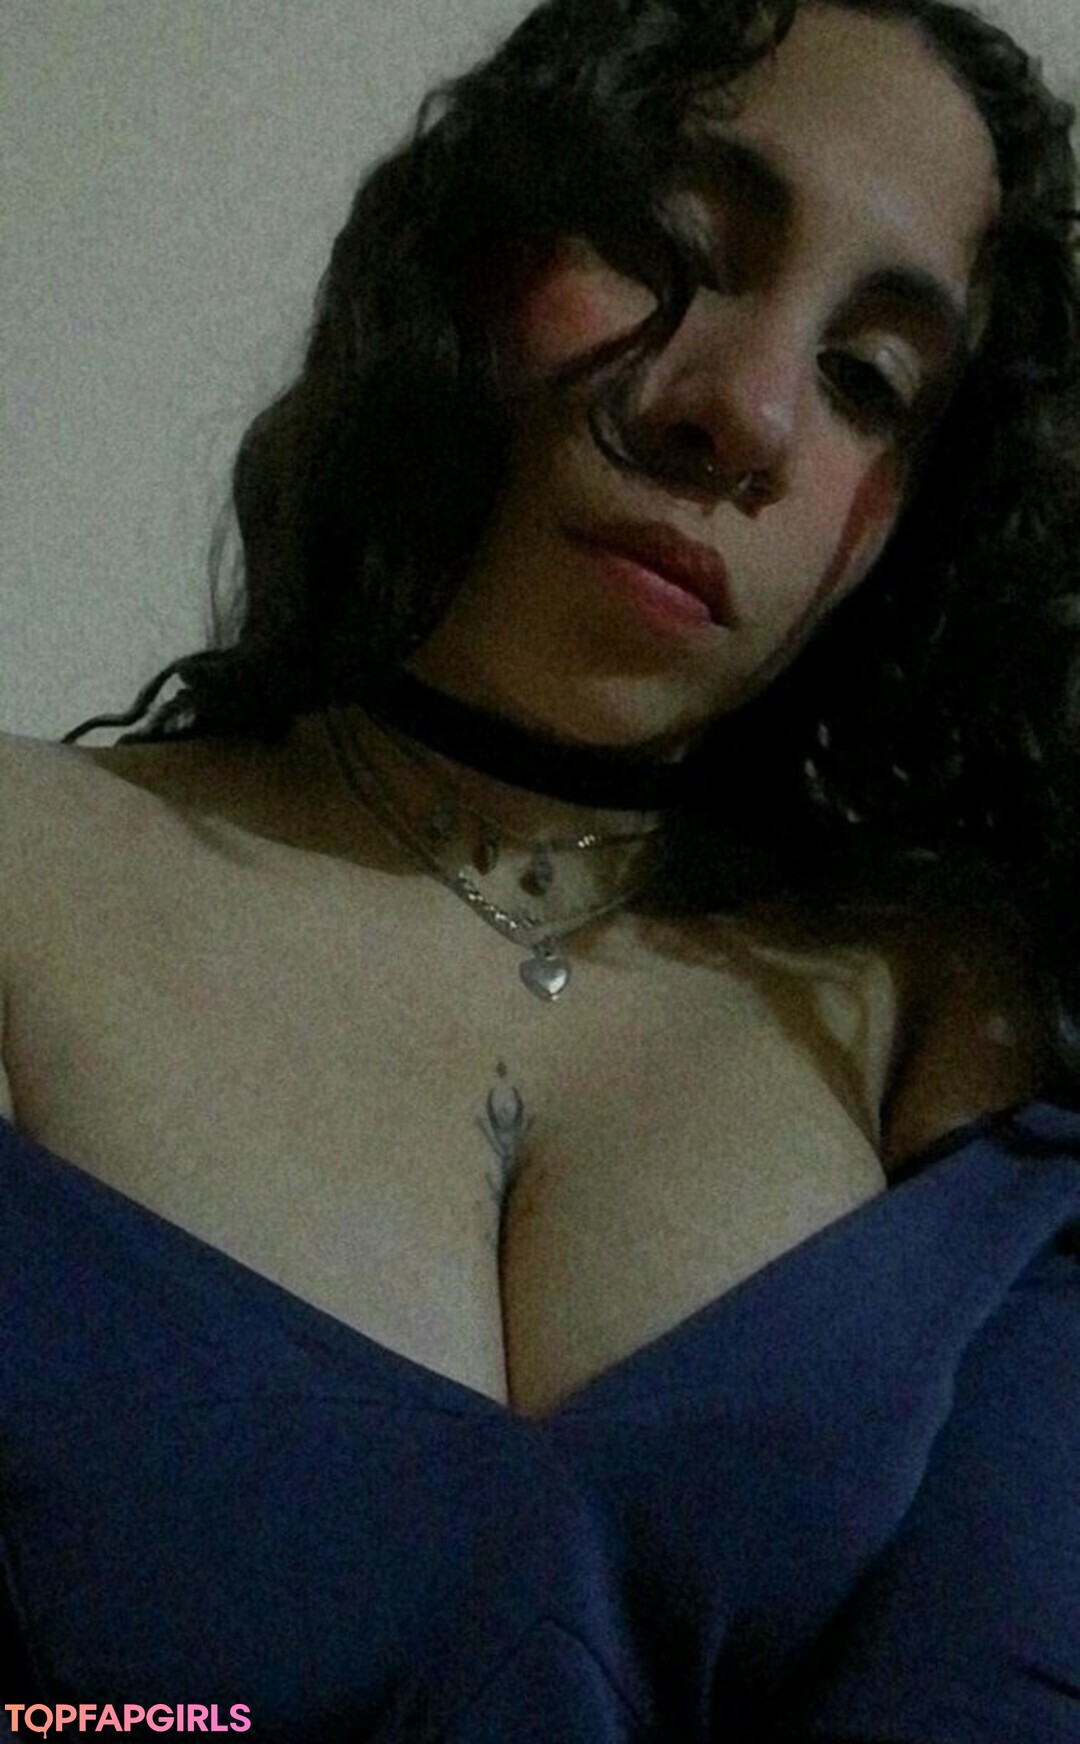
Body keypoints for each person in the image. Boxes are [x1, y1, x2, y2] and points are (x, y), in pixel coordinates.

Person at [1, 0, 1078, 1736]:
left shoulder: (957, 1021)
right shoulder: (24, 872)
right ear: (481, 250)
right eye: (673, 250)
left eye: (869, 381)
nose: (742, 412)